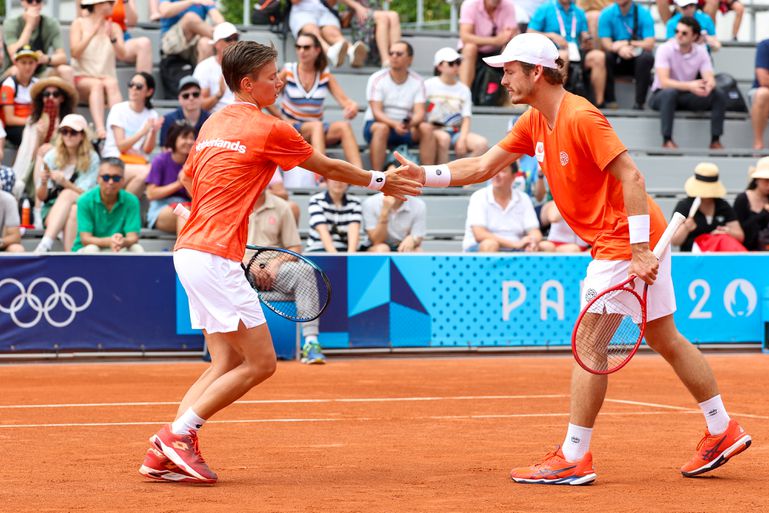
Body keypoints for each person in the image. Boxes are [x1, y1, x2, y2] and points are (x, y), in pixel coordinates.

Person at [394, 32, 751, 484]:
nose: (502, 78)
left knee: (589, 345)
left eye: (509, 70)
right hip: (633, 235)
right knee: (665, 338)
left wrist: (639, 249)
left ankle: (574, 455)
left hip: (624, 238)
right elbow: (482, 167)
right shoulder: (532, 121)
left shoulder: (582, 116)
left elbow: (633, 176)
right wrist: (422, 174)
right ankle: (722, 428)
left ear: (536, 73)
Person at [137, 40, 420, 484]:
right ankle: (178, 436)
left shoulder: (212, 124)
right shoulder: (270, 128)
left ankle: (165, 451)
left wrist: (217, 219)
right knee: (262, 363)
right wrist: (379, 180)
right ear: (248, 84)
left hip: (190, 251)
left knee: (224, 363)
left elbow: (191, 179)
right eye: (273, 76)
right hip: (211, 258)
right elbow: (325, 166)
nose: (281, 80)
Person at [246, 190, 325, 364]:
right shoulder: (234, 204)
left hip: (276, 270)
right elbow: (222, 246)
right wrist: (249, 266)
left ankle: (311, 343)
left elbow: (295, 247)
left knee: (304, 270)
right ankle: (231, 349)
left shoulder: (282, 207)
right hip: (241, 269)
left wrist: (275, 263)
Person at [268, 32, 363, 169]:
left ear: (317, 50)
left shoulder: (324, 74)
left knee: (344, 126)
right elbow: (266, 96)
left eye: (306, 47)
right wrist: (282, 118)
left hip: (315, 130)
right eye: (298, 46)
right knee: (316, 126)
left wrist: (352, 107)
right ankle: (320, 176)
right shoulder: (288, 71)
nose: (301, 51)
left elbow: (345, 101)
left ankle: (361, 176)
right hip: (292, 129)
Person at [649, 17, 727, 150]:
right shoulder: (664, 49)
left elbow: (710, 78)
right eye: (677, 31)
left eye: (684, 33)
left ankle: (715, 140)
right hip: (661, 95)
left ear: (694, 36)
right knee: (670, 93)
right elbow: (664, 83)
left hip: (687, 95)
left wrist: (708, 87)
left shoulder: (701, 51)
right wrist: (691, 85)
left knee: (718, 93)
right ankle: (667, 140)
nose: (679, 35)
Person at [363, 41, 434, 171]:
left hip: (406, 127)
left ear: (410, 59)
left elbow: (419, 113)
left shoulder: (418, 81)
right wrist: (395, 124)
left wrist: (409, 124)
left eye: (399, 54)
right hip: (379, 125)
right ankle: (377, 178)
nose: (394, 56)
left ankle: (428, 178)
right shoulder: (376, 78)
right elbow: (376, 113)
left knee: (426, 128)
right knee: (381, 128)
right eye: (391, 53)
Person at [33, 114, 99, 253]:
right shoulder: (52, 156)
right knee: (72, 208)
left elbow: (87, 195)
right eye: (64, 131)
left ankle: (46, 243)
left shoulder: (92, 158)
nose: (68, 136)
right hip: (51, 210)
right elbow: (41, 197)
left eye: (73, 132)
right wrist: (44, 182)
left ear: (82, 135)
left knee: (70, 199)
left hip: (83, 208)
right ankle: (70, 255)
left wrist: (65, 183)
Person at [528, 0, 607, 107]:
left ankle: (599, 103)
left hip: (576, 51)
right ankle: (554, 102)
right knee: (563, 56)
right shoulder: (545, 9)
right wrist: (551, 35)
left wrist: (586, 40)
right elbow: (530, 32)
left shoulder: (578, 11)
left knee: (598, 57)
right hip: (554, 51)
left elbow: (584, 33)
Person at [11, 75, 78, 200]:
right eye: (46, 94)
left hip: (63, 164)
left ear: (62, 98)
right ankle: (38, 203)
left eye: (55, 94)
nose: (50, 98)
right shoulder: (33, 121)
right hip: (37, 166)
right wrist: (39, 138)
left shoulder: (70, 121)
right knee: (42, 157)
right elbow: (29, 156)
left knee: (46, 155)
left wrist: (54, 148)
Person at [70, 0, 127, 140]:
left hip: (106, 79)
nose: (114, 4)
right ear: (98, 5)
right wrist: (91, 34)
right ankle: (101, 130)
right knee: (97, 84)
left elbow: (123, 55)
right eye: (110, 2)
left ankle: (117, 129)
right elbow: (75, 53)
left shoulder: (114, 27)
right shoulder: (79, 23)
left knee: (111, 83)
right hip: (83, 78)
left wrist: (112, 38)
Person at [101, 72, 162, 198]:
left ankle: (121, 208)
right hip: (114, 160)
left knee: (148, 173)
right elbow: (121, 146)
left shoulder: (152, 114)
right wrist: (143, 131)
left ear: (149, 92)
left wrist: (154, 132)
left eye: (139, 86)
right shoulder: (118, 109)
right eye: (131, 85)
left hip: (136, 162)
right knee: (148, 172)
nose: (133, 89)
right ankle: (123, 209)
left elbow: (147, 150)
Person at [424, 47, 489, 164]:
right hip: (433, 129)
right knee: (444, 138)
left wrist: (463, 139)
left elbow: (466, 118)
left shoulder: (464, 89)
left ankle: (464, 180)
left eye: (458, 62)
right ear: (439, 66)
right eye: (451, 63)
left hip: (456, 132)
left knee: (481, 144)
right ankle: (444, 180)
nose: (455, 66)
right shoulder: (428, 85)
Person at [462, 165, 543, 252]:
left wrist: (533, 242)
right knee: (490, 244)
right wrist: (515, 244)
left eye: (502, 171)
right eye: (494, 171)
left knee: (546, 246)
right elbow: (479, 234)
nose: (496, 175)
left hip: (516, 248)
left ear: (514, 176)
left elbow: (535, 231)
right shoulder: (479, 196)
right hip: (480, 247)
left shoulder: (524, 198)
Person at [71, 157, 144, 253]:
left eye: (116, 178)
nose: (110, 182)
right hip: (89, 248)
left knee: (137, 249)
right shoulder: (84, 200)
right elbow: (85, 239)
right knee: (92, 249)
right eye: (106, 177)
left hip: (118, 247)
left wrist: (122, 241)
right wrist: (110, 241)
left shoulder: (132, 200)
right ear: (98, 179)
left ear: (123, 180)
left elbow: (133, 237)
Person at [671, 163, 744, 251]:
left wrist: (726, 231)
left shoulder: (722, 205)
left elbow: (740, 236)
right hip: (692, 257)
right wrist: (686, 227)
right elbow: (674, 241)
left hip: (717, 257)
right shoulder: (685, 205)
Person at [598, 0, 655, 110]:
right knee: (606, 56)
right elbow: (606, 43)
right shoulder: (606, 13)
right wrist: (620, 49)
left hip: (636, 58)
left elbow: (650, 43)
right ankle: (610, 100)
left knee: (646, 57)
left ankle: (639, 103)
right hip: (617, 57)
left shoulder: (643, 13)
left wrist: (628, 43)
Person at [2, 0, 73, 83]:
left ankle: (67, 96)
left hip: (40, 72)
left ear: (42, 3)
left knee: (66, 70)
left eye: (38, 0)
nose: (34, 3)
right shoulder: (11, 23)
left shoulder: (51, 23)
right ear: (22, 2)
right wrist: (30, 24)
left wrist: (45, 58)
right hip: (15, 70)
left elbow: (63, 57)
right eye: (30, 1)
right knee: (17, 70)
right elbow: (14, 54)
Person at [76, 0, 153, 74]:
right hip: (98, 37)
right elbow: (83, 16)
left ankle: (141, 84)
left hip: (120, 37)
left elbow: (132, 22)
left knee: (144, 43)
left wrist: (125, 1)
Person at [457, 0, 518, 90]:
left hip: (498, 51)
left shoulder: (508, 5)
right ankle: (465, 95)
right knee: (470, 48)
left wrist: (503, 39)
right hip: (475, 52)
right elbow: (465, 37)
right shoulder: (470, 4)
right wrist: (495, 41)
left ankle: (514, 94)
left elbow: (510, 33)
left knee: (511, 49)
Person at [146, 123, 194, 235]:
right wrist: (179, 183)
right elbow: (151, 194)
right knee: (184, 210)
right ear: (174, 139)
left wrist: (187, 181)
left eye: (192, 138)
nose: (189, 142)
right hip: (161, 209)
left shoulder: (195, 162)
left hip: (189, 208)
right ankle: (182, 251)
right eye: (185, 137)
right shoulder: (160, 160)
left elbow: (196, 197)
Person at [288, 0, 368, 68]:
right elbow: (295, 1)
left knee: (332, 32)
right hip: (301, 11)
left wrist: (357, 6)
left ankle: (352, 51)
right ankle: (331, 53)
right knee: (313, 31)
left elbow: (331, 3)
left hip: (322, 11)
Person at [305, 179, 363, 253]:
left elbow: (354, 230)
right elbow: (323, 231)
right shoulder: (316, 200)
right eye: (333, 178)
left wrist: (350, 256)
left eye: (342, 178)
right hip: (318, 249)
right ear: (326, 181)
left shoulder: (355, 202)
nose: (338, 181)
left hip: (345, 250)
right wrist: (336, 258)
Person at [159, 0, 224, 65]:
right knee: (190, 18)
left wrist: (220, 25)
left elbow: (218, 19)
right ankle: (226, 41)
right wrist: (191, 1)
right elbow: (164, 11)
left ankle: (200, 74)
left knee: (206, 43)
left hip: (195, 43)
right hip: (171, 42)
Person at [362, 186, 426, 252]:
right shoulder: (370, 203)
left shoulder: (419, 204)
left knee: (418, 251)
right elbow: (376, 241)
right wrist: (384, 211)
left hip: (401, 246)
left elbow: (418, 235)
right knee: (382, 248)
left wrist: (413, 239)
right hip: (375, 246)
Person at [193, 22, 238, 112]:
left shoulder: (245, 66)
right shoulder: (204, 67)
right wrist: (219, 94)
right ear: (216, 43)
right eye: (228, 39)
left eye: (235, 38)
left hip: (241, 119)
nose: (233, 42)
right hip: (215, 121)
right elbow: (199, 106)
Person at [343, 0, 401, 68]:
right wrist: (358, 7)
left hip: (377, 12)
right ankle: (385, 60)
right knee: (383, 17)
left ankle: (397, 54)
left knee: (394, 15)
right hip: (359, 12)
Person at [0, 46, 39, 146]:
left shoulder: (38, 84)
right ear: (16, 63)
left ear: (36, 64)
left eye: (31, 63)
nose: (27, 67)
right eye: (23, 62)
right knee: (28, 136)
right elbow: (9, 119)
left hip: (31, 124)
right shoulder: (8, 84)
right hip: (12, 128)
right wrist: (32, 122)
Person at [159, 75, 211, 147]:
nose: (191, 98)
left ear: (201, 96)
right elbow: (165, 149)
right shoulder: (169, 120)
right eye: (186, 95)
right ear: (179, 99)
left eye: (195, 94)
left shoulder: (211, 119)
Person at [733, 157, 769, 251]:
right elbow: (741, 230)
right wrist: (763, 213)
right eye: (766, 180)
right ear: (757, 180)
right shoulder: (743, 199)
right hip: (746, 251)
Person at [750, 38, 769, 150]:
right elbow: (763, 80)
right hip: (762, 93)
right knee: (763, 94)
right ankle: (758, 145)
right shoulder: (765, 45)